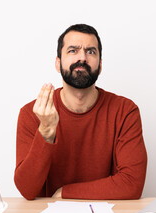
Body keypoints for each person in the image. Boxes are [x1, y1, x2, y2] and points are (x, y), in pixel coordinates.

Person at [14, 24, 147, 200]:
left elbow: (132, 184)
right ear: (58, 63)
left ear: (100, 65)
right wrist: (45, 131)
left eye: (91, 51)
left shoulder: (125, 111)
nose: (82, 58)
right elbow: (27, 190)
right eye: (73, 51)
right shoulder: (32, 113)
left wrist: (65, 193)